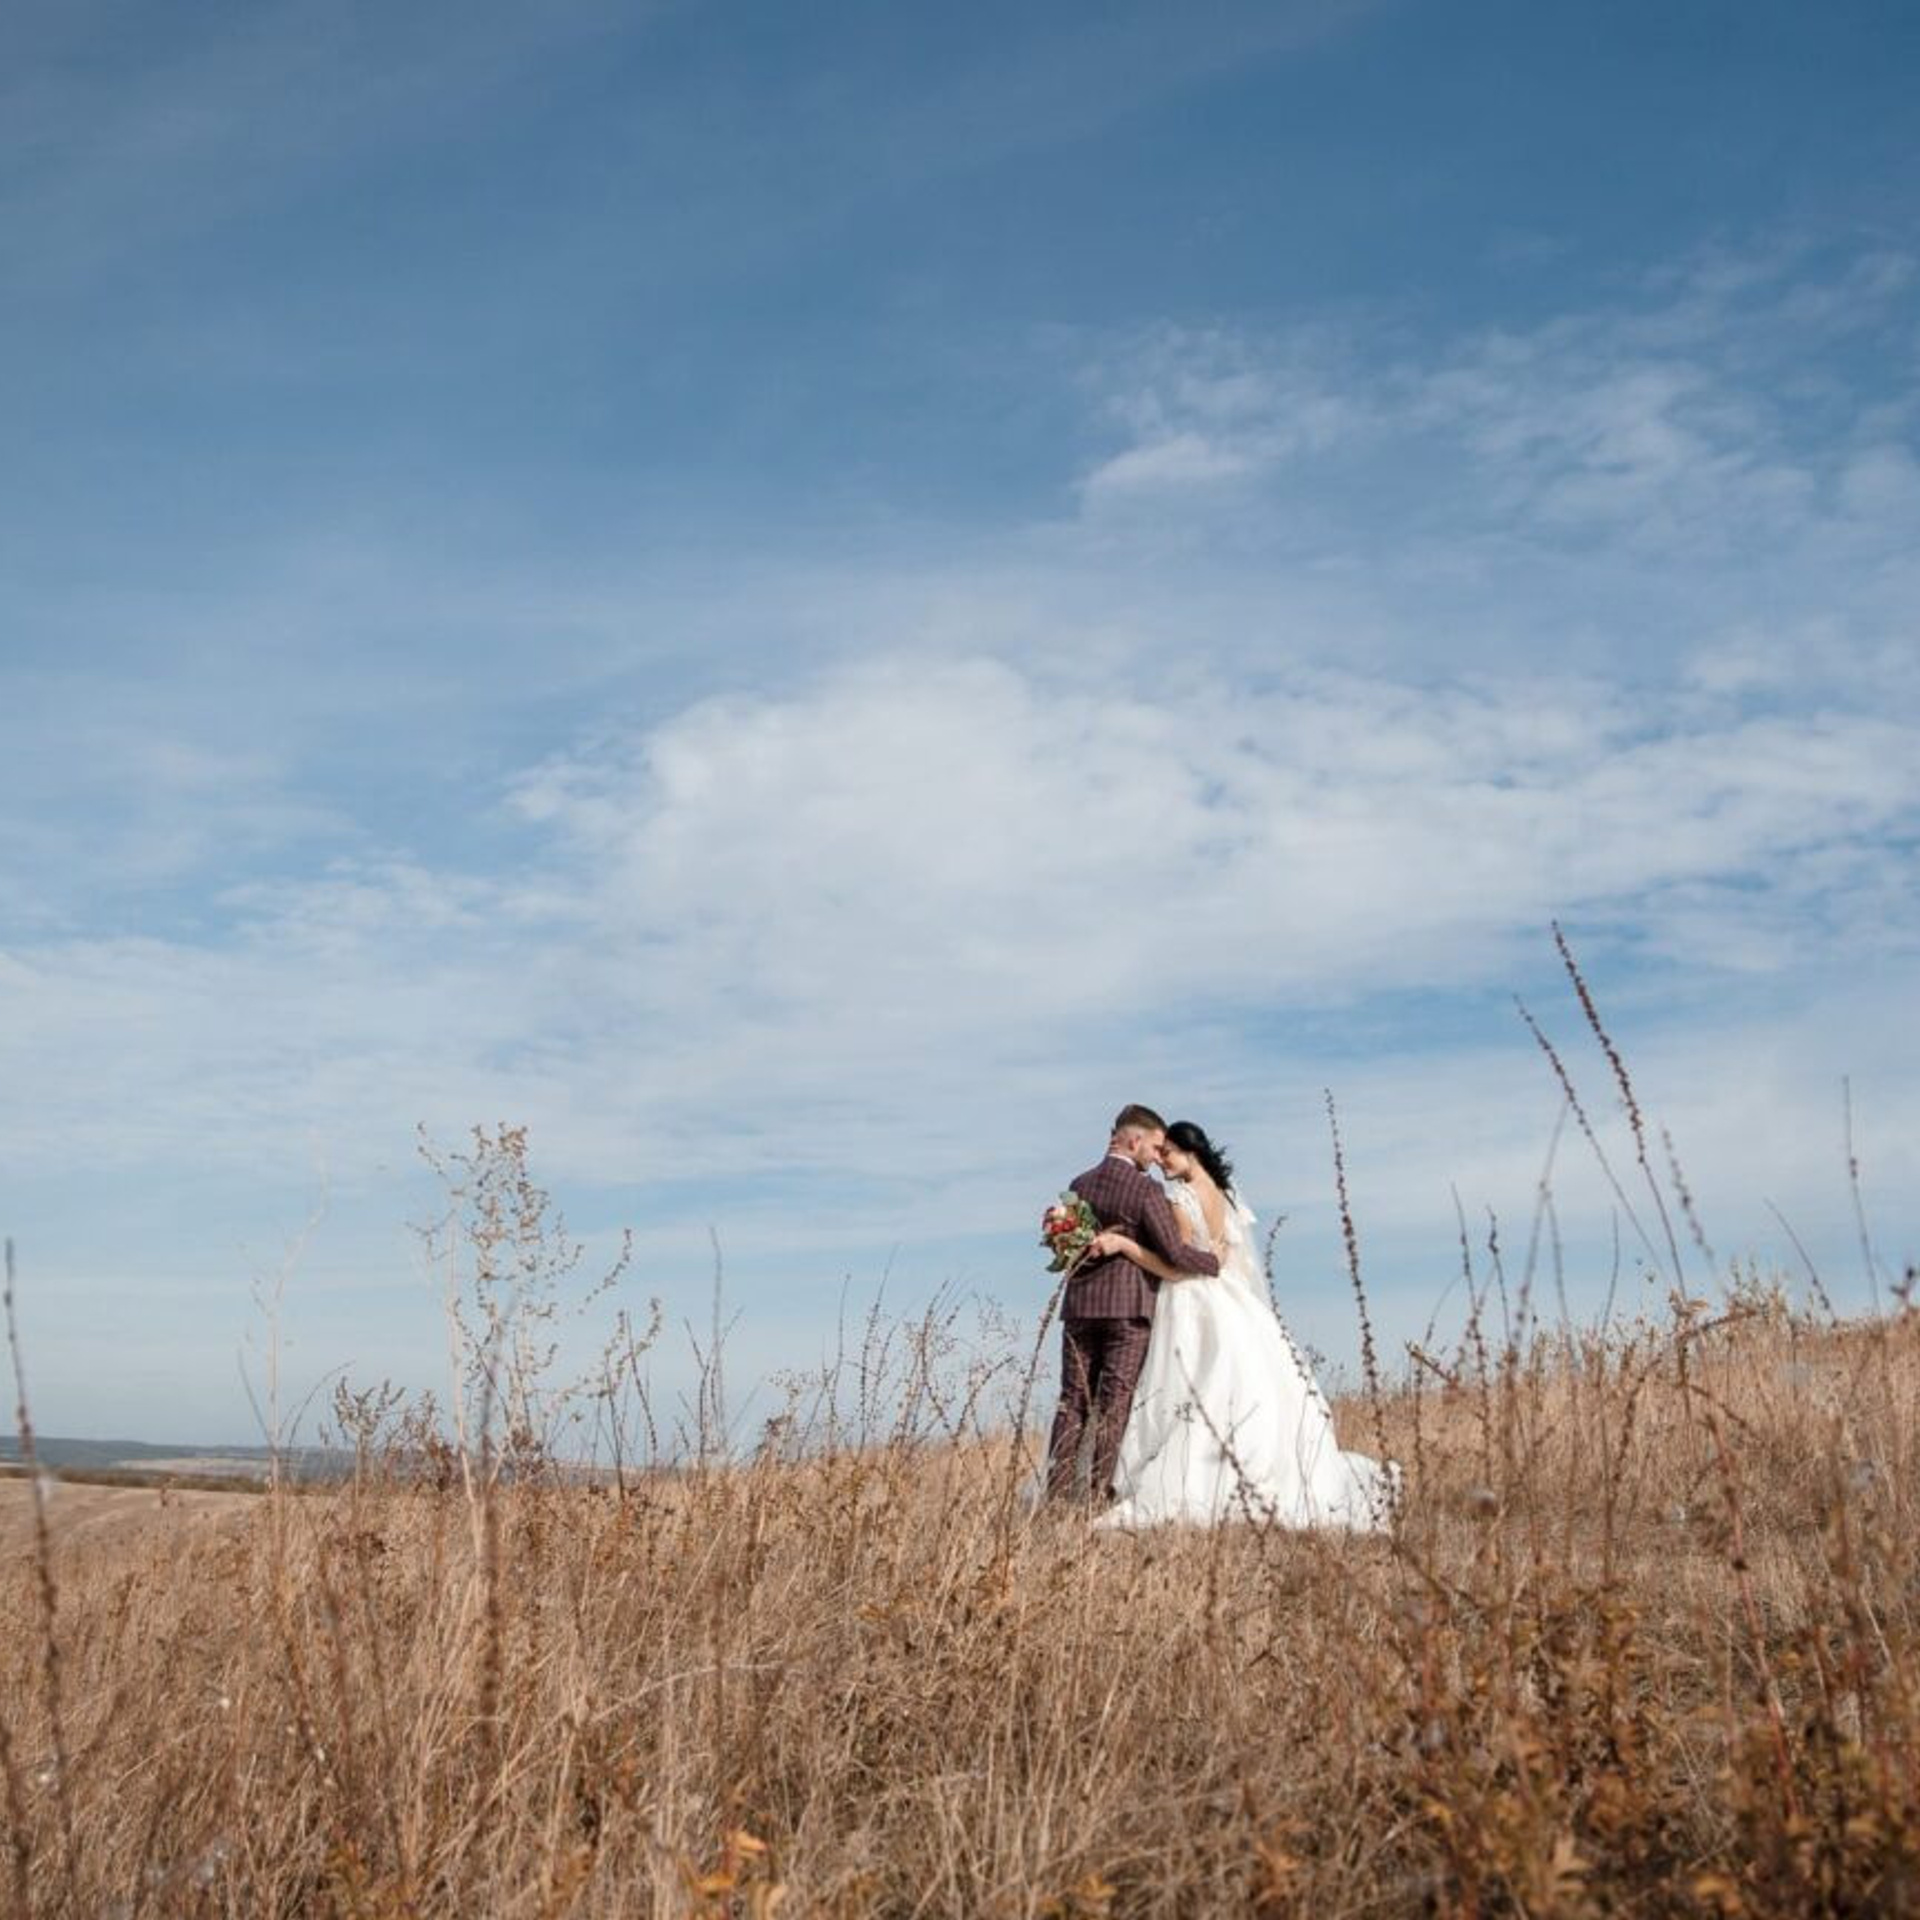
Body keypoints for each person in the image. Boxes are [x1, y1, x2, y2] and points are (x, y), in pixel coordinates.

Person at [1085, 1120, 1397, 1531]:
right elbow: (1231, 1257)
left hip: (1190, 1300)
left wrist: (1126, 1245)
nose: (1161, 1161)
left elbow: (1176, 1267)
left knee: (1185, 1388)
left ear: (1189, 1153)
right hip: (1229, 1299)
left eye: (1168, 1153)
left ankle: (1186, 1479)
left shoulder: (1179, 1197)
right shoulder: (1226, 1195)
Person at [1046, 1104, 1220, 1506]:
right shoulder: (1145, 1191)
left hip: (1079, 1309)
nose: (1158, 1157)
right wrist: (1215, 1262)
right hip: (1127, 1313)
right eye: (1156, 1147)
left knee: (1071, 1402)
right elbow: (1174, 1252)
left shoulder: (1078, 1185)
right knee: (1114, 1403)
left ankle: (1055, 1498)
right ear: (1134, 1140)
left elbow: (1067, 1246)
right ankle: (1092, 1498)